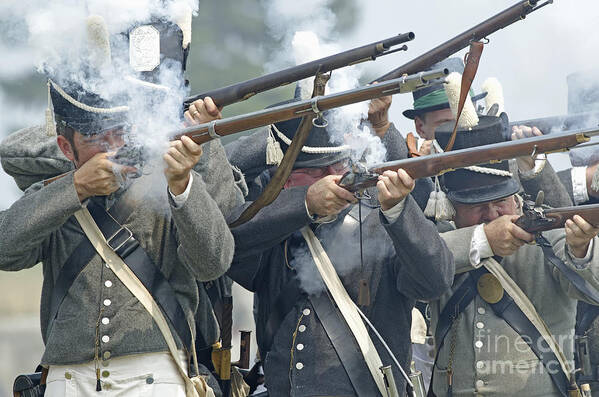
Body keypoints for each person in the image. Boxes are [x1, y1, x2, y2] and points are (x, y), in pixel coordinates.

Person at [0, 73, 236, 396]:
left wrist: (182, 185)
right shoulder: (54, 197)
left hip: (157, 379)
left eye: (120, 132)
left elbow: (213, 262)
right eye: (97, 136)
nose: (113, 145)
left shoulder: (167, 181)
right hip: (68, 383)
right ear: (66, 147)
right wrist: (76, 187)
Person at [224, 92, 455, 395]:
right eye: (312, 172)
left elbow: (434, 281)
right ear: (283, 180)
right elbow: (225, 246)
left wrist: (399, 209)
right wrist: (304, 203)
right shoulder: (271, 225)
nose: (330, 180)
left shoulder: (384, 220)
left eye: (336, 167)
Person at [428, 114, 599, 397]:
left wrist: (581, 248)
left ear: (514, 195)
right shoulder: (438, 242)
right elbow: (419, 267)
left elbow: (592, 285)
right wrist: (482, 240)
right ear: (451, 206)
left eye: (500, 202)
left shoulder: (546, 230)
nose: (493, 214)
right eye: (478, 206)